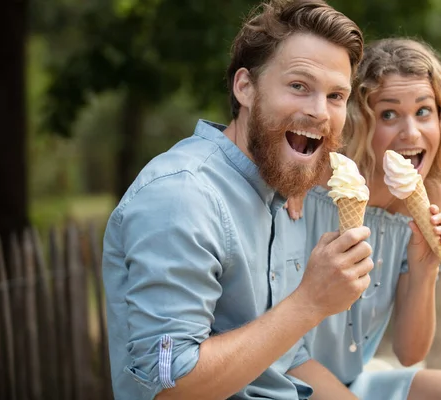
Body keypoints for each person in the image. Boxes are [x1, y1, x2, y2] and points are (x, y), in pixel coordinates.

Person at [101, 1, 372, 399]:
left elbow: (287, 358)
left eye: (335, 96)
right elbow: (169, 386)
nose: (319, 112)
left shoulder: (279, 190)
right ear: (244, 87)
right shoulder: (182, 196)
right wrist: (309, 302)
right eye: (299, 86)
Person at [284, 38, 441, 399]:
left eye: (424, 111)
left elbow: (410, 354)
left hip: (353, 382)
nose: (411, 132)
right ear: (360, 122)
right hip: (282, 376)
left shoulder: (434, 198)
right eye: (389, 114)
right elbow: (278, 334)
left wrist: (424, 267)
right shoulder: (314, 180)